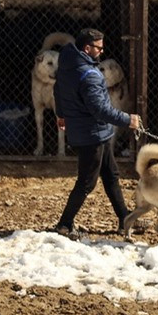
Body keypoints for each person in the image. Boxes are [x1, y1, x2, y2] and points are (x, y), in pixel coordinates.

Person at [52, 28, 141, 239]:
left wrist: (61, 114)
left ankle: (124, 219)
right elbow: (100, 110)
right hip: (91, 134)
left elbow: (58, 90)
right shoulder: (90, 76)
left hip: (93, 131)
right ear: (87, 48)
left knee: (111, 175)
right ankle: (64, 224)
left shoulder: (68, 65)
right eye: (99, 48)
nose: (101, 52)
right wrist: (128, 119)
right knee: (86, 182)